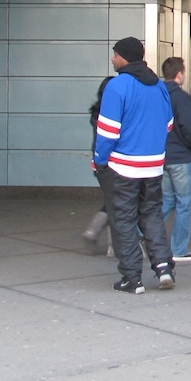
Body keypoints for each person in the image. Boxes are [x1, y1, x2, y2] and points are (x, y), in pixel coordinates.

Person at [93, 37, 175, 294]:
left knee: (123, 220)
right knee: (151, 215)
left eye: (115, 54)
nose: (112, 59)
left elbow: (107, 132)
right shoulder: (159, 86)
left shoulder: (117, 86)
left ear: (124, 57)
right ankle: (163, 267)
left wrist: (99, 161)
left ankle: (132, 278)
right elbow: (169, 123)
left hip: (123, 167)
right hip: (153, 166)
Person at [161, 56, 191, 262]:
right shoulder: (182, 98)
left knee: (166, 200)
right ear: (179, 74)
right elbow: (189, 128)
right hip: (181, 157)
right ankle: (179, 248)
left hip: (162, 157)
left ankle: (142, 235)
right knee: (184, 202)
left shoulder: (156, 95)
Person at [82, 74, 114, 255]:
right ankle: (99, 234)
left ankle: (95, 231)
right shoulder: (113, 112)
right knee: (118, 202)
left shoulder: (96, 112)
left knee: (113, 199)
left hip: (99, 162)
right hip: (113, 162)